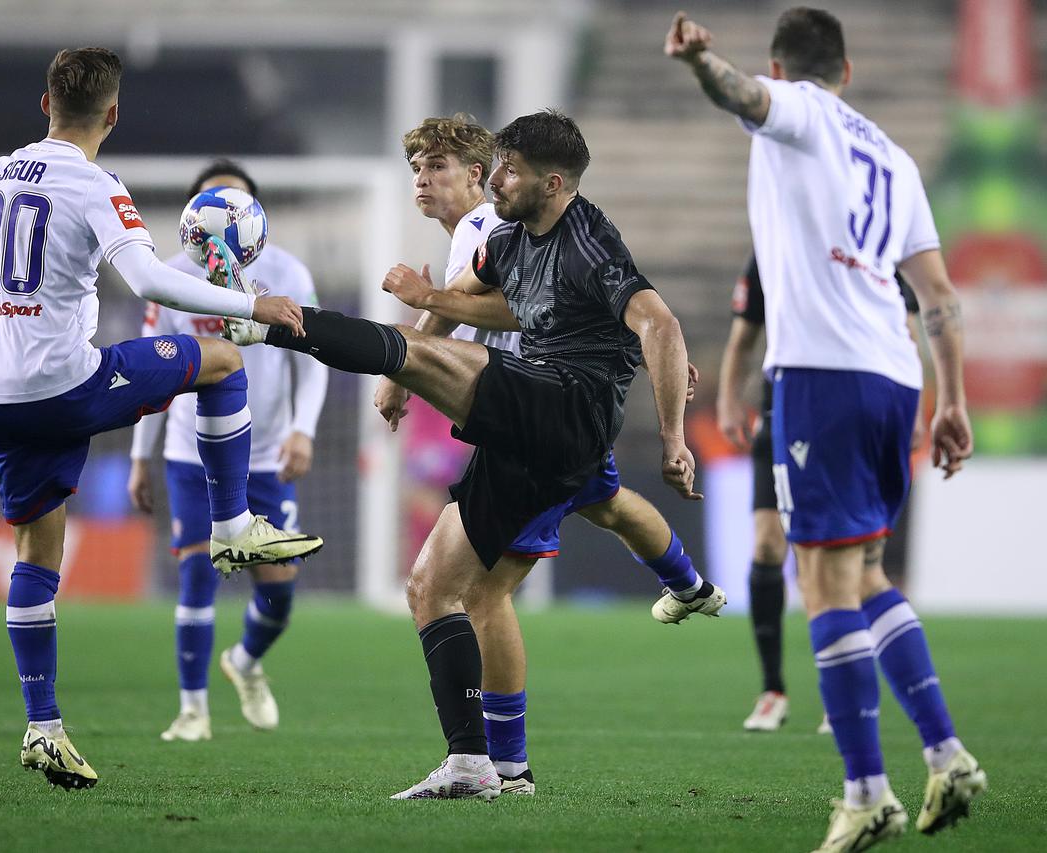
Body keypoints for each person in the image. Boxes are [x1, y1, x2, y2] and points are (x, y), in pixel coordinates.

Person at [219, 109, 702, 800]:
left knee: (502, 570)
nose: (496, 179)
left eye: (509, 170)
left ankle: (271, 323)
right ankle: (479, 761)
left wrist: (675, 432)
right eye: (496, 163)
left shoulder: (588, 242)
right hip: (521, 425)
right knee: (435, 588)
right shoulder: (506, 238)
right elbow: (498, 304)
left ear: (554, 183)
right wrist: (432, 301)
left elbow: (657, 320)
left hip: (564, 407)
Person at [0, 47, 322, 791]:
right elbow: (144, 276)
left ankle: (44, 728)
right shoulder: (95, 182)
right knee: (223, 364)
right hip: (63, 382)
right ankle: (234, 525)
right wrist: (249, 303)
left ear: (44, 105)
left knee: (37, 551)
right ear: (112, 114)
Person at [668, 9, 984, 849]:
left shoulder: (796, 108)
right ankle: (947, 753)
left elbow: (740, 92)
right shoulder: (895, 157)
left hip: (822, 371)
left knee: (824, 579)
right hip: (897, 375)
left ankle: (865, 790)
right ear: (847, 69)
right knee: (870, 572)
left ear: (785, 68)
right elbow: (941, 297)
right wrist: (953, 399)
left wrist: (703, 62)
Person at [390, 114, 724, 795]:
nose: (423, 181)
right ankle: (689, 584)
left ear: (477, 176)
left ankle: (505, 768)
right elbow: (528, 307)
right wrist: (650, 356)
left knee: (481, 593)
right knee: (608, 503)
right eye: (417, 169)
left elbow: (482, 307)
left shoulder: (491, 230)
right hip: (550, 411)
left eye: (438, 168)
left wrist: (404, 365)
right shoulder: (501, 235)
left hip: (534, 424)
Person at [128, 160, 329, 742]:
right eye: (212, 204)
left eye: (236, 204)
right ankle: (192, 711)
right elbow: (150, 367)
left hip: (266, 454)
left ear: (256, 214)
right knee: (197, 574)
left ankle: (243, 662)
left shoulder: (287, 271)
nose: (225, 216)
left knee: (280, 589)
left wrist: (304, 430)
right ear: (194, 217)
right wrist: (142, 455)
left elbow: (310, 360)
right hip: (191, 451)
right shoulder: (165, 276)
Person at [718, 254, 927, 733]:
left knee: (830, 557)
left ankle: (838, 692)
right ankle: (772, 689)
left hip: (841, 411)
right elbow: (743, 335)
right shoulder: (770, 246)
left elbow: (907, 331)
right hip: (781, 409)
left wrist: (915, 410)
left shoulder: (868, 243)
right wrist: (731, 398)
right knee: (769, 544)